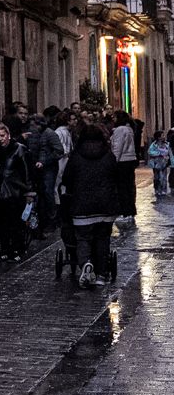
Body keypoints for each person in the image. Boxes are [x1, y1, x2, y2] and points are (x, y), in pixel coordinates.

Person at [63, 122, 119, 288]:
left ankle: (86, 263)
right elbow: (116, 178)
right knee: (103, 238)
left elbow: (67, 179)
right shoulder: (108, 156)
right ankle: (102, 274)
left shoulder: (76, 157)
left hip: (82, 206)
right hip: (105, 206)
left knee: (83, 239)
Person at [0, 122, 32, 262]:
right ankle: (5, 249)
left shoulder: (19, 149)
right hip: (0, 193)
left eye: (3, 135)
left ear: (8, 135)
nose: (1, 139)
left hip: (15, 192)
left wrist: (29, 192)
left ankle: (17, 249)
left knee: (16, 222)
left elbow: (27, 171)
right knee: (2, 223)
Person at [109, 110, 139, 221]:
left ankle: (125, 212)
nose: (113, 119)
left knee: (122, 188)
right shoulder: (129, 129)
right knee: (129, 186)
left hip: (122, 161)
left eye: (115, 117)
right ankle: (130, 211)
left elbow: (118, 147)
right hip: (130, 160)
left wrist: (114, 162)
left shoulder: (120, 130)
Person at [149, 130, 172, 198]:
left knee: (164, 177)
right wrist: (159, 154)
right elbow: (150, 152)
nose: (164, 137)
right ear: (158, 137)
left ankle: (163, 190)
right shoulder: (154, 145)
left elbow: (169, 152)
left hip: (164, 163)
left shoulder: (166, 144)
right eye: (162, 135)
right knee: (157, 177)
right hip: (156, 163)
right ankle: (157, 189)